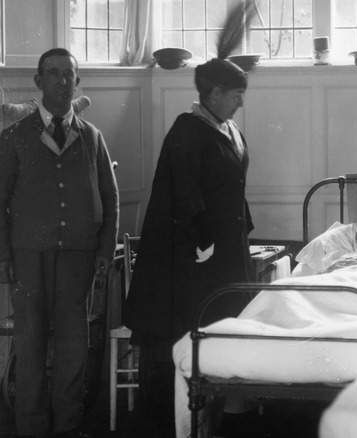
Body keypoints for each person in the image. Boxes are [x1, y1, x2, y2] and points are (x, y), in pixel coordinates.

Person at [122, 56, 255, 432]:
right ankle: (183, 423)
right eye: (236, 95)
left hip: (227, 249)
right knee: (193, 333)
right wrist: (205, 239)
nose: (240, 103)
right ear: (213, 94)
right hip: (195, 255)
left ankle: (220, 415)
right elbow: (186, 191)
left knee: (223, 331)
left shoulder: (227, 128)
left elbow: (233, 188)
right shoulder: (187, 130)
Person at [0, 48, 119, 438]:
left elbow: (111, 198)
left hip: (78, 259)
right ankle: (31, 429)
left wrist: (104, 250)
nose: (62, 81)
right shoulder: (14, 137)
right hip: (28, 257)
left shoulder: (93, 137)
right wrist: (3, 257)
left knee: (72, 348)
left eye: (69, 74)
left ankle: (68, 428)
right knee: (30, 345)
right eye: (53, 74)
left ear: (77, 81)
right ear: (38, 82)